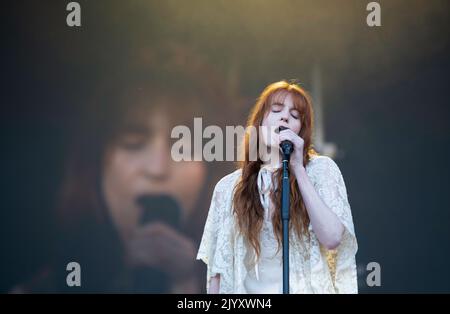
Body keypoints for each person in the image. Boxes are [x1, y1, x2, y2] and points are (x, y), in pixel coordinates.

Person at [197, 80, 358, 293]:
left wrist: (298, 169)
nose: (285, 117)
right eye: (276, 110)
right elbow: (217, 273)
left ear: (301, 130)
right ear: (261, 121)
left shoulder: (320, 170)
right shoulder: (227, 188)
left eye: (295, 115)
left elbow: (332, 238)